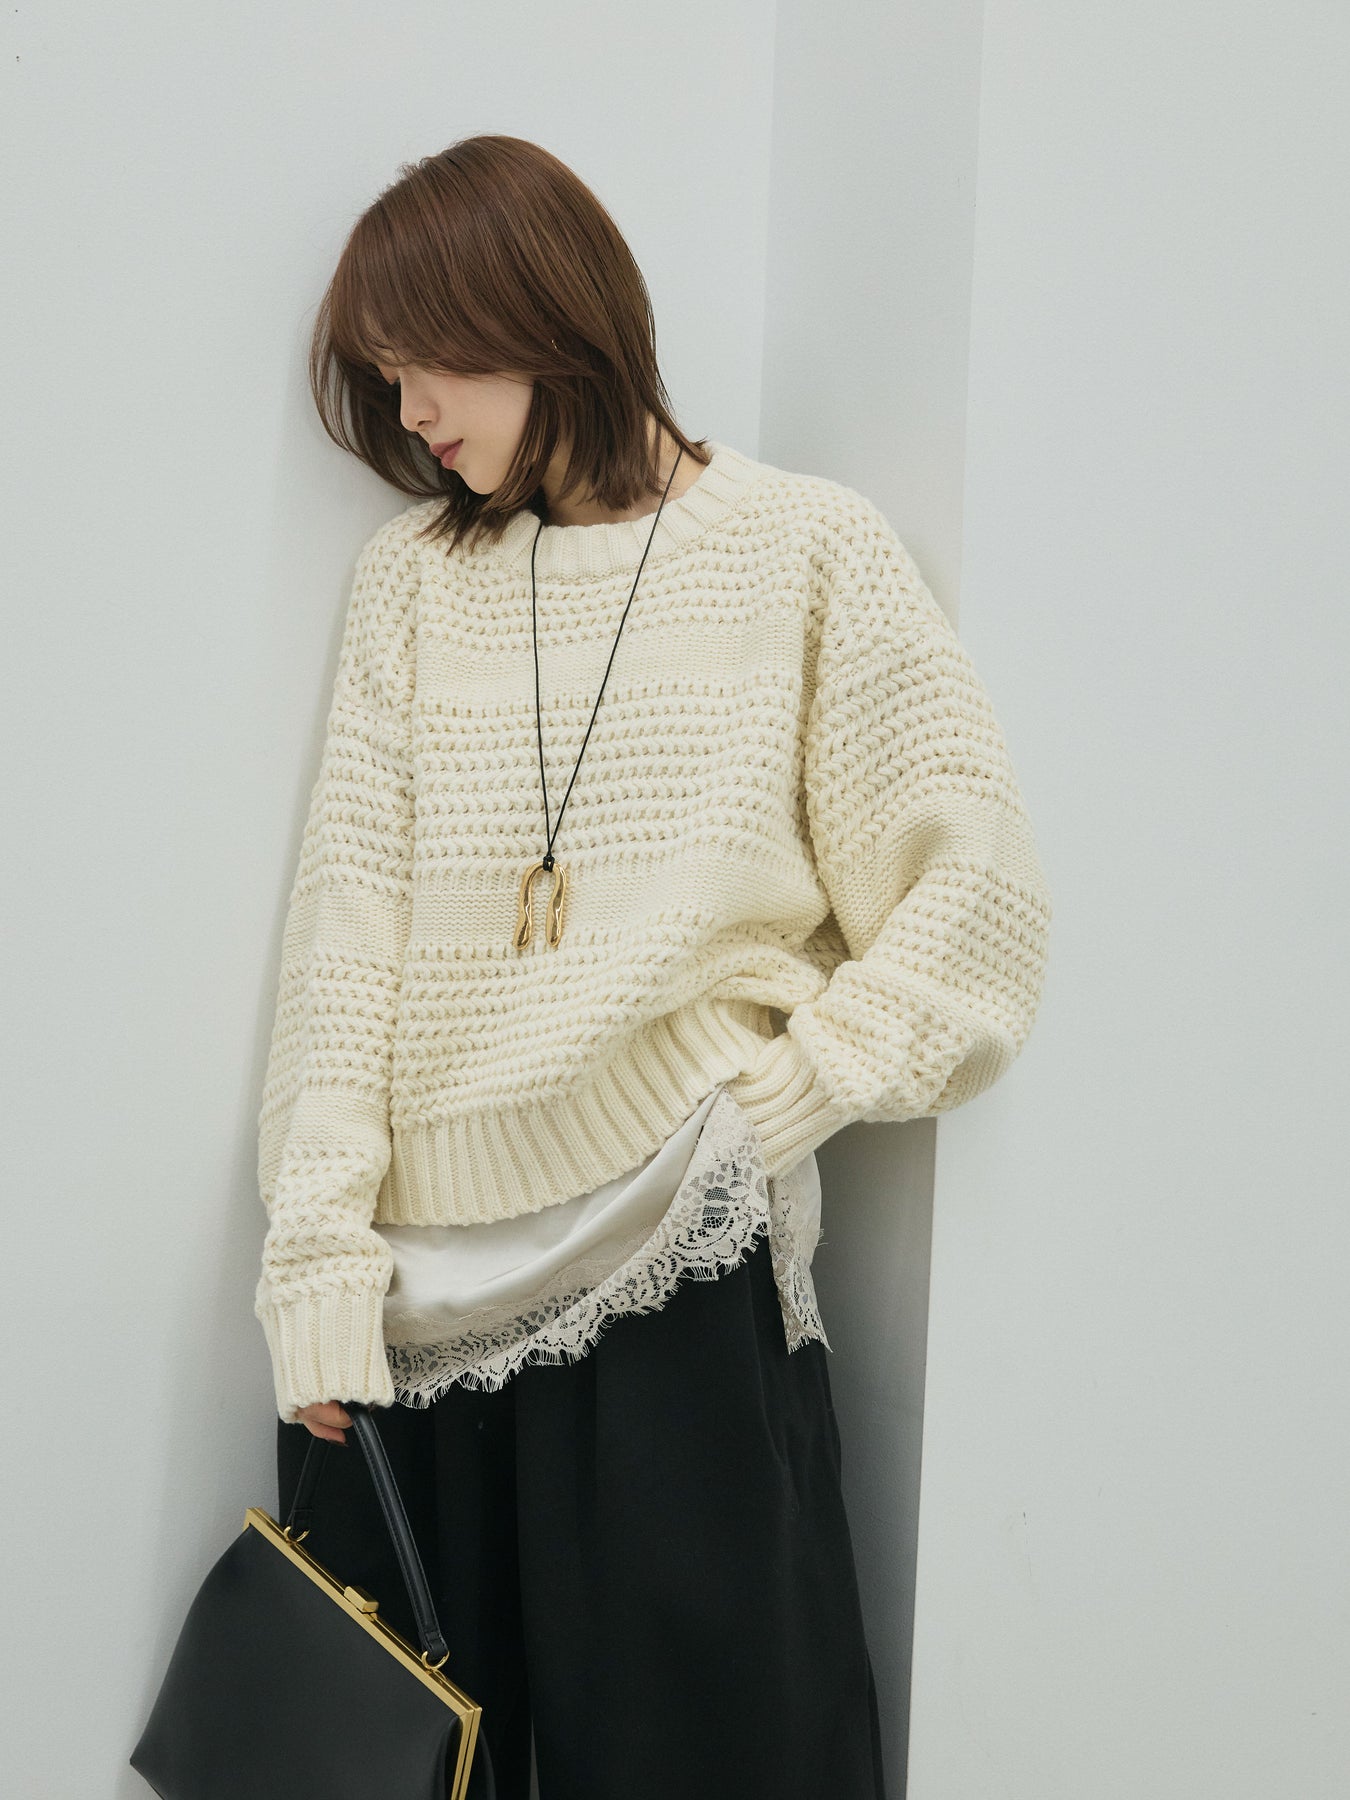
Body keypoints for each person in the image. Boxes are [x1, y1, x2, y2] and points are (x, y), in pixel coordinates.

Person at [255, 132, 1052, 1800]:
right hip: (412, 1320)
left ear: (540, 309)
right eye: (383, 378)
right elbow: (348, 942)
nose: (408, 412)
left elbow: (974, 895)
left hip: (684, 1285)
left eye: (424, 361)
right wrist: (316, 1261)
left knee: (724, 1762)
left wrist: (768, 1114)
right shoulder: (411, 587)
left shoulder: (805, 550)